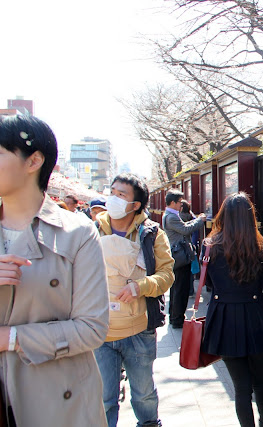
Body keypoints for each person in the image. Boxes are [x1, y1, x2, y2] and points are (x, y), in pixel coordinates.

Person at [0, 115, 109, 426]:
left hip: (58, 400)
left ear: (33, 160)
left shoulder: (77, 232)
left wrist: (10, 338)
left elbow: (91, 328)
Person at [94, 173, 175, 427]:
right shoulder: (91, 229)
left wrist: (141, 287)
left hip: (138, 328)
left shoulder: (152, 234)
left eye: (121, 195)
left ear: (136, 204)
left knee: (144, 396)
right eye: (112, 191)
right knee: (104, 399)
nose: (113, 198)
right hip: (100, 330)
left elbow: (166, 274)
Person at [202, 192, 263, 427]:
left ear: (223, 216)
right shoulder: (262, 249)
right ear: (250, 219)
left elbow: (208, 285)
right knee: (260, 381)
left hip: (224, 319)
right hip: (255, 317)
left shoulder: (210, 247)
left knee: (241, 388)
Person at [162, 189, 205, 328]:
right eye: (180, 202)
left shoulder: (170, 214)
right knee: (181, 287)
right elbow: (186, 229)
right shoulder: (171, 216)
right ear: (173, 202)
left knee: (177, 287)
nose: (181, 205)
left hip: (177, 255)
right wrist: (199, 220)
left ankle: (174, 315)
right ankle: (177, 318)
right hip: (180, 256)